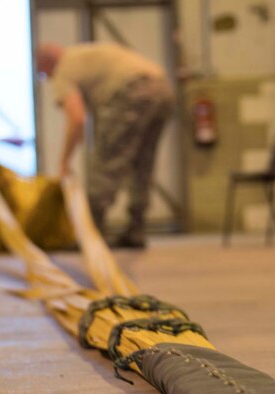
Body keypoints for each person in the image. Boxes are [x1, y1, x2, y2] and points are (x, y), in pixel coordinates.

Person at [36, 42, 174, 249]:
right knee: (143, 164)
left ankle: (92, 233)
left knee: (106, 163)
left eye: (43, 74)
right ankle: (136, 230)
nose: (47, 78)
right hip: (162, 88)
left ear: (45, 63)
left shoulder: (64, 69)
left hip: (131, 92)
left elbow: (77, 119)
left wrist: (64, 161)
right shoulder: (83, 53)